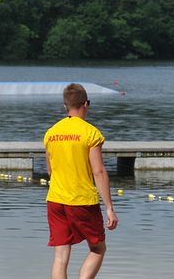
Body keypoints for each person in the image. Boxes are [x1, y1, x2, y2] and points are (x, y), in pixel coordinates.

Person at [43, 83, 118, 279]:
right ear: (86, 104)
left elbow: (50, 170)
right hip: (82, 201)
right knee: (98, 248)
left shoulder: (51, 133)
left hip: (55, 201)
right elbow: (99, 171)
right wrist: (109, 207)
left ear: (65, 106)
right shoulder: (90, 132)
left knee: (60, 255)